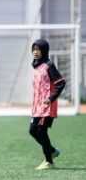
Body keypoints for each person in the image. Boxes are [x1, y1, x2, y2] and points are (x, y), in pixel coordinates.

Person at [29, 38, 65, 170]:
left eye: (38, 49)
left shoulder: (49, 65)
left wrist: (51, 98)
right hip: (37, 106)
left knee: (41, 131)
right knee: (32, 130)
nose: (35, 52)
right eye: (34, 49)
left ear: (44, 50)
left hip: (47, 106)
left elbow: (61, 83)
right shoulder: (36, 66)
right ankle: (52, 150)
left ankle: (49, 161)